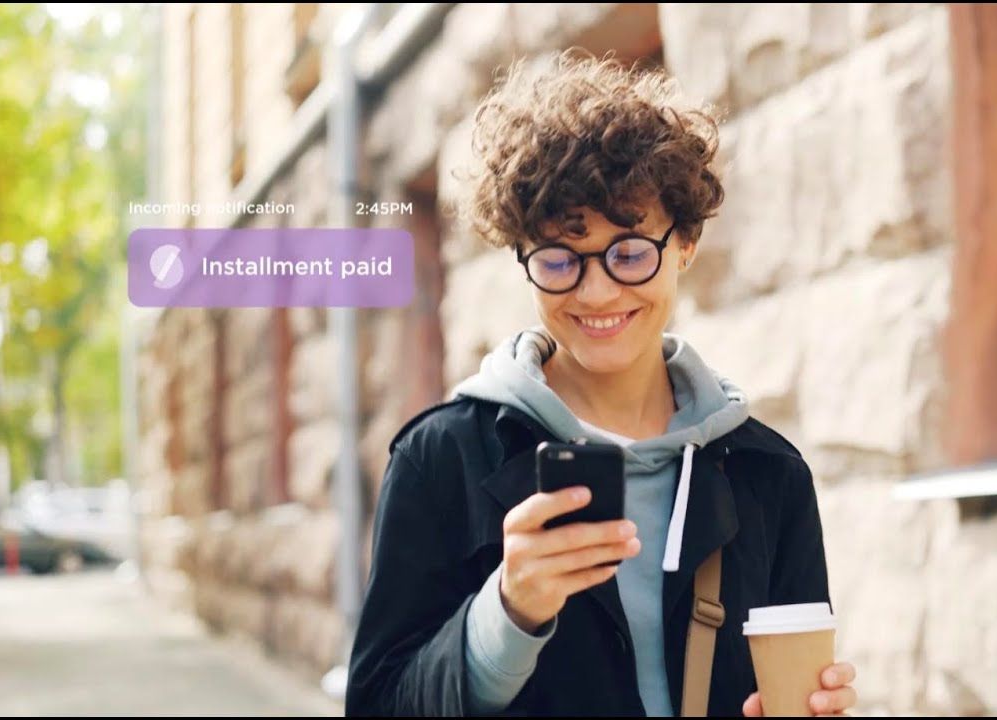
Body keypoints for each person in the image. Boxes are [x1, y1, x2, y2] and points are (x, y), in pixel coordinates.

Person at [345, 52, 859, 717]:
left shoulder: (769, 475)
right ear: (523, 259)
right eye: (559, 257)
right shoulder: (442, 460)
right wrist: (507, 615)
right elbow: (380, 704)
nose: (596, 292)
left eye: (629, 252)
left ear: (686, 244)